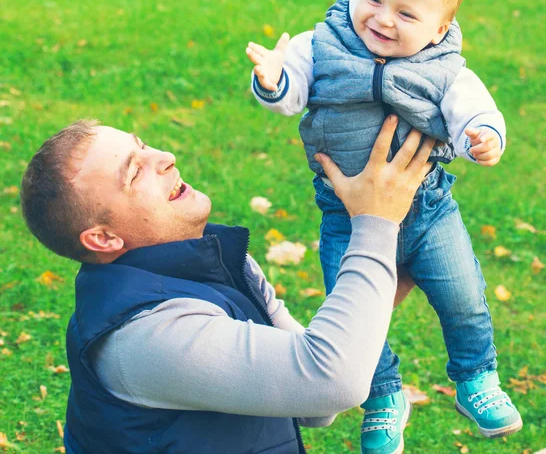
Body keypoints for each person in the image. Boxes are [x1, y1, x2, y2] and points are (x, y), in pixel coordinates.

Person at [247, 0, 522, 454]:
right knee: (352, 318)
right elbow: (290, 94)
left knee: (463, 299)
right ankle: (382, 399)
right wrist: (273, 77)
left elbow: (473, 111)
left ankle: (475, 378)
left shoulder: (445, 68)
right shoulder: (322, 43)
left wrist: (481, 137)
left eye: (407, 14)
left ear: (441, 28)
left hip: (429, 211)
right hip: (345, 217)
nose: (381, 18)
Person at [21, 115, 432, 454]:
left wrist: (385, 279)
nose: (165, 157)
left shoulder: (210, 261)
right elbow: (330, 381)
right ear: (104, 239)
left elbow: (310, 401)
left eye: (143, 145)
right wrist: (376, 222)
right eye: (134, 172)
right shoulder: (144, 334)